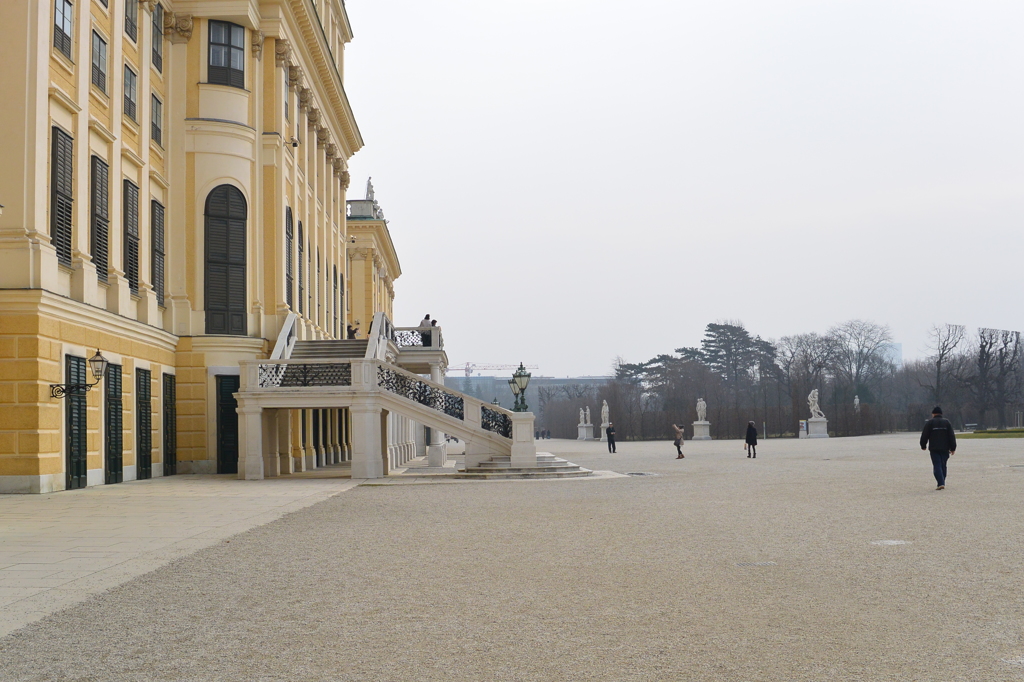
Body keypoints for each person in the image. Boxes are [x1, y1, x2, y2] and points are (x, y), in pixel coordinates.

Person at [920, 406, 956, 490]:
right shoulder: (947, 422)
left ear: (933, 414)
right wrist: (953, 448)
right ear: (941, 414)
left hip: (934, 448)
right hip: (945, 448)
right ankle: (942, 481)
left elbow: (924, 435)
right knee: (943, 465)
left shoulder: (930, 423)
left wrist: (923, 445)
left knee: (937, 465)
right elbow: (951, 436)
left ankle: (940, 482)